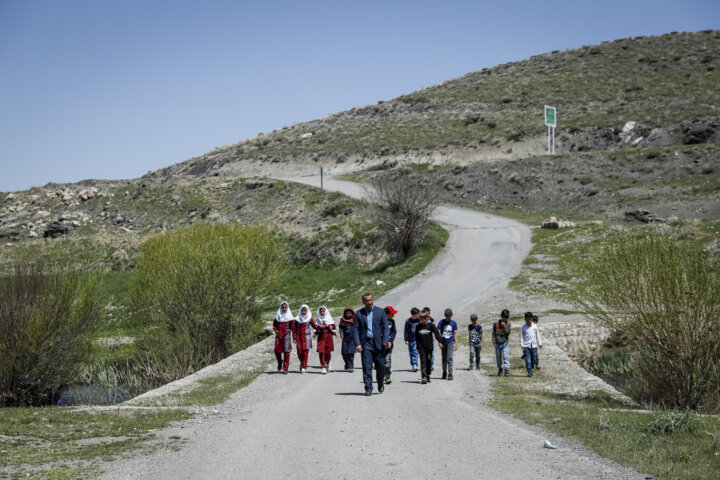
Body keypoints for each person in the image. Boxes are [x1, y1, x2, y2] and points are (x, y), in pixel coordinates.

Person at [353, 293, 390, 396]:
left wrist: (386, 340)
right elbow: (355, 329)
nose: (369, 302)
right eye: (367, 301)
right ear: (363, 302)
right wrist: (358, 344)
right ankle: (368, 388)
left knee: (381, 366)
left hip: (379, 343)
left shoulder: (380, 311)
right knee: (367, 366)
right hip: (366, 343)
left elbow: (386, 327)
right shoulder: (359, 314)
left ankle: (380, 382)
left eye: (370, 300)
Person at [415, 311, 442, 384]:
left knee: (429, 361)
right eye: (422, 318)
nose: (423, 320)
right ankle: (423, 376)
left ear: (427, 318)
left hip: (429, 347)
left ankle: (428, 375)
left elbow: (436, 334)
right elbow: (417, 337)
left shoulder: (431, 325)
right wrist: (417, 346)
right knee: (423, 361)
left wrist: (440, 341)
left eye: (424, 318)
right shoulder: (418, 327)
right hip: (421, 347)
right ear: (420, 318)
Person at [293, 304, 316, 374]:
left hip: (306, 337)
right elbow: (294, 329)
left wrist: (318, 331)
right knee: (299, 352)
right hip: (299, 337)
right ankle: (302, 362)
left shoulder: (309, 318)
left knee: (305, 353)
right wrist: (294, 337)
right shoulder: (297, 319)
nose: (303, 312)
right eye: (302, 310)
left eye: (305, 310)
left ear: (307, 311)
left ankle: (303, 367)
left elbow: (315, 326)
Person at [273, 301, 294, 374]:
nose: (284, 309)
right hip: (279, 336)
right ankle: (280, 362)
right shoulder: (278, 316)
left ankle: (285, 368)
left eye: (285, 308)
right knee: (276, 350)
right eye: (283, 308)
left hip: (287, 335)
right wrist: (276, 330)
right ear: (281, 308)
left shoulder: (290, 317)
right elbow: (274, 325)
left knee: (286, 351)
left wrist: (294, 337)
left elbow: (293, 327)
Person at [437, 308, 458, 380]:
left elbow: (455, 333)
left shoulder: (453, 323)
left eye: (449, 315)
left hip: (451, 342)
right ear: (445, 315)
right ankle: (444, 371)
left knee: (450, 357)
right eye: (446, 316)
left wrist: (456, 344)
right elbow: (438, 332)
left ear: (451, 315)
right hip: (443, 342)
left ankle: (450, 373)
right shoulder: (441, 322)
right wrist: (439, 342)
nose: (448, 317)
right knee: (444, 358)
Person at [520, 312, 542, 377]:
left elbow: (538, 335)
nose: (529, 321)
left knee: (534, 357)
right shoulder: (523, 327)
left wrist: (540, 343)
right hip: (526, 346)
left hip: (534, 345)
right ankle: (530, 372)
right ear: (525, 319)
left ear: (532, 319)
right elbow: (521, 337)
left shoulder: (535, 326)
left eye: (530, 320)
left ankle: (535, 364)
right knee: (528, 360)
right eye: (527, 320)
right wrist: (522, 344)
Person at [316, 305, 336, 374]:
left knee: (328, 352)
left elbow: (333, 327)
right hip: (321, 337)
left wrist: (327, 326)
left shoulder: (329, 318)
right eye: (320, 311)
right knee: (321, 352)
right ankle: (323, 367)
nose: (322, 313)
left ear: (325, 311)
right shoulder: (318, 319)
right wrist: (319, 327)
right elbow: (316, 328)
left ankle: (328, 362)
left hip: (328, 337)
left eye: (323, 311)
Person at [492, 309, 511, 377]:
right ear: (501, 316)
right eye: (503, 317)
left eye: (505, 318)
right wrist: (494, 342)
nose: (504, 319)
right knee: (498, 357)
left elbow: (508, 333)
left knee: (506, 357)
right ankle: (500, 369)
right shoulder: (496, 323)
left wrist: (504, 326)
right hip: (497, 344)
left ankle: (507, 370)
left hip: (504, 343)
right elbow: (493, 333)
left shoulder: (508, 324)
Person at [338, 306, 357, 372]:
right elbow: (341, 327)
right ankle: (347, 364)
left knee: (351, 353)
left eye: (350, 313)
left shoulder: (355, 319)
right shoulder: (343, 320)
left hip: (352, 338)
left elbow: (358, 328)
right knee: (344, 353)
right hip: (345, 338)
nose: (348, 314)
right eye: (347, 313)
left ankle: (351, 366)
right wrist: (341, 333)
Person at [383, 306, 398, 384]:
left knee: (387, 361)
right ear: (386, 314)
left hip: (389, 345)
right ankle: (381, 375)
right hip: (381, 345)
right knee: (380, 361)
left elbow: (394, 332)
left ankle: (387, 376)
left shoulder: (392, 321)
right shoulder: (379, 321)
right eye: (391, 314)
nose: (393, 315)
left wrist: (390, 341)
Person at [404, 307, 420, 372]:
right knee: (411, 352)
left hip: (417, 339)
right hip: (410, 339)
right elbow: (406, 331)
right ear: (413, 315)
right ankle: (413, 363)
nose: (418, 315)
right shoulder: (408, 321)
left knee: (415, 352)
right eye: (417, 314)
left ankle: (415, 364)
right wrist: (406, 339)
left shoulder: (420, 320)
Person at [421, 307, 436, 371]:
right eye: (427, 313)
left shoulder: (432, 319)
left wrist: (434, 336)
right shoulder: (421, 320)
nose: (429, 315)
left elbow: (435, 329)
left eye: (429, 313)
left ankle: (431, 364)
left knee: (431, 352)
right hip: (424, 339)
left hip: (431, 338)